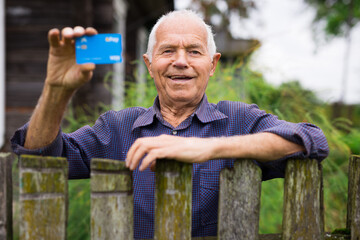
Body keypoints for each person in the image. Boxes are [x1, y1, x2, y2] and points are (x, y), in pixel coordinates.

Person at [11, 9, 329, 239]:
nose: (180, 61)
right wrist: (56, 89)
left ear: (212, 64)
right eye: (167, 51)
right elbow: (40, 156)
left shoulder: (238, 119)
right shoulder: (118, 127)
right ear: (150, 65)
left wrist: (206, 148)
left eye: (194, 51)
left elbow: (311, 139)